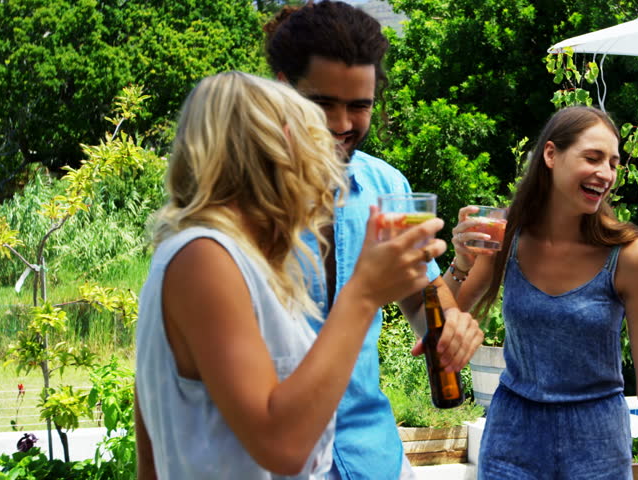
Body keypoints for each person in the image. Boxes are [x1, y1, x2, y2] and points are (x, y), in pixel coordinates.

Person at [134, 71, 448, 479]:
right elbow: (283, 448)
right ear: (276, 147)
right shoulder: (204, 258)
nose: (325, 164)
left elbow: (149, 443)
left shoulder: (232, 258)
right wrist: (364, 293)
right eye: (312, 141)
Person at [262, 3, 483, 479]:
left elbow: (423, 304)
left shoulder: (387, 187)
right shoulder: (240, 201)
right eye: (323, 104)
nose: (342, 123)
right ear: (283, 90)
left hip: (373, 457)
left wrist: (453, 325)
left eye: (359, 106)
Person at [446, 106, 638, 479]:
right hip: (512, 438)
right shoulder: (506, 236)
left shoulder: (630, 257)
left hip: (597, 444)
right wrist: (460, 264)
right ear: (551, 155)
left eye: (613, 163)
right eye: (593, 158)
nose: (606, 174)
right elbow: (439, 326)